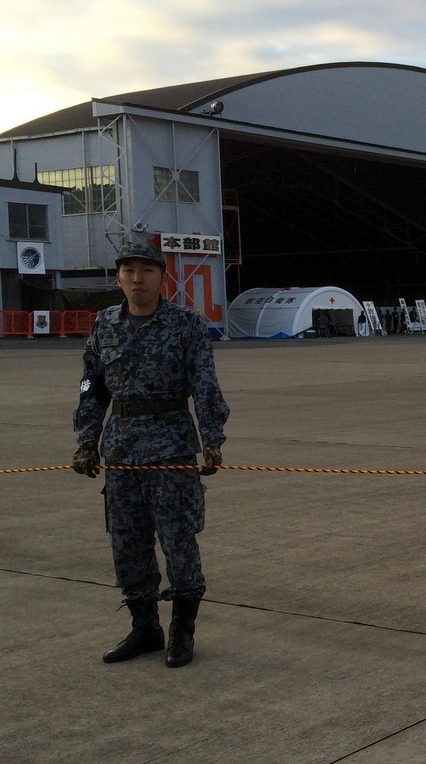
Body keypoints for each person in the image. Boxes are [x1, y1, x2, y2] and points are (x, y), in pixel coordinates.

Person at [72, 238, 230, 668]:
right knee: (127, 544)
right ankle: (145, 628)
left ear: (163, 277)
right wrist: (86, 440)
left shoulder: (186, 325)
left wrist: (212, 438)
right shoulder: (104, 325)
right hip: (120, 451)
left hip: (172, 449)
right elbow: (91, 388)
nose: (137, 279)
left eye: (147, 270)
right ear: (119, 277)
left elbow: (205, 384)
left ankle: (182, 630)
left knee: (178, 541)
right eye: (129, 270)